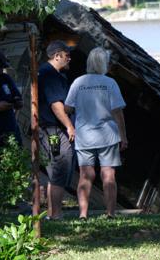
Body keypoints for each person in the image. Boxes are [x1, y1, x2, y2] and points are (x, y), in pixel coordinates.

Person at [64, 47, 127, 219]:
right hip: (108, 135)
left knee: (85, 175)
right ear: (103, 63)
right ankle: (110, 213)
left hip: (84, 136)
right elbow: (117, 112)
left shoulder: (78, 82)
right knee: (108, 175)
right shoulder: (110, 83)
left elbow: (68, 107)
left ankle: (83, 214)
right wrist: (124, 137)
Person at [37, 40, 76, 219]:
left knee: (54, 170)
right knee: (60, 167)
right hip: (54, 130)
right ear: (57, 56)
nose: (69, 59)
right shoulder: (50, 74)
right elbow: (56, 105)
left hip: (49, 128)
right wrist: (69, 126)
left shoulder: (52, 74)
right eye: (67, 55)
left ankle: (52, 213)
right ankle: (56, 215)